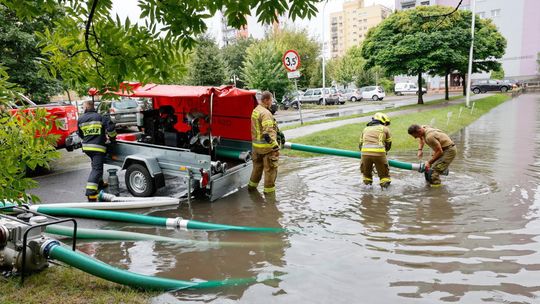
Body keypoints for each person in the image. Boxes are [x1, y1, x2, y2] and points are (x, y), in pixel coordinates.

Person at [77, 100, 117, 201]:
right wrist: (112, 140)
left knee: (96, 164)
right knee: (97, 169)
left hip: (86, 147)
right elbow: (111, 129)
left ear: (86, 108)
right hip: (98, 148)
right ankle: (90, 193)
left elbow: (80, 133)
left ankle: (100, 183)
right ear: (93, 107)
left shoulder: (80, 119)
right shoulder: (101, 117)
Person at [248, 91, 280, 194]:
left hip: (256, 148)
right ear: (266, 100)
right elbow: (267, 134)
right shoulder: (266, 113)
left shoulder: (256, 110)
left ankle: (251, 190)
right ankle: (270, 199)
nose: (272, 103)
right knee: (270, 171)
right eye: (271, 100)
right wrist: (275, 146)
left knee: (256, 170)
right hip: (267, 149)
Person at [359, 112, 392, 189]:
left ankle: (367, 196)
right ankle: (385, 196)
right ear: (382, 121)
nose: (386, 125)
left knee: (366, 177)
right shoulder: (385, 129)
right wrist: (385, 152)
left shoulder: (365, 129)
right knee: (384, 177)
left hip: (365, 154)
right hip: (379, 154)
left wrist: (364, 153)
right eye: (385, 123)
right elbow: (389, 144)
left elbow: (360, 144)